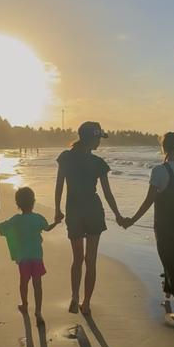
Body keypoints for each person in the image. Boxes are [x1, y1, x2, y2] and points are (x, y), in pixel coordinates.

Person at [125, 132, 174, 325]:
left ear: (163, 148)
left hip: (165, 227)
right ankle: (168, 285)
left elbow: (149, 200)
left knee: (173, 267)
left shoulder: (159, 171)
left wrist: (132, 220)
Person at [55, 121, 125, 315]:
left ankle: (74, 296)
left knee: (77, 258)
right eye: (98, 138)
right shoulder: (98, 163)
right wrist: (118, 215)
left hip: (74, 211)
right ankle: (86, 304)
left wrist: (57, 209)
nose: (99, 142)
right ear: (92, 138)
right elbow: (107, 193)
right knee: (90, 260)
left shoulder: (66, 157)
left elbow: (59, 185)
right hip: (93, 211)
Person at [0, 186, 59, 325]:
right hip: (37, 257)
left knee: (24, 282)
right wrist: (56, 222)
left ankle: (25, 305)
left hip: (23, 258)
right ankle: (38, 311)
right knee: (37, 284)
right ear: (33, 201)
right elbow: (47, 228)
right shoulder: (38, 218)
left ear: (17, 204)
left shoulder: (16, 220)